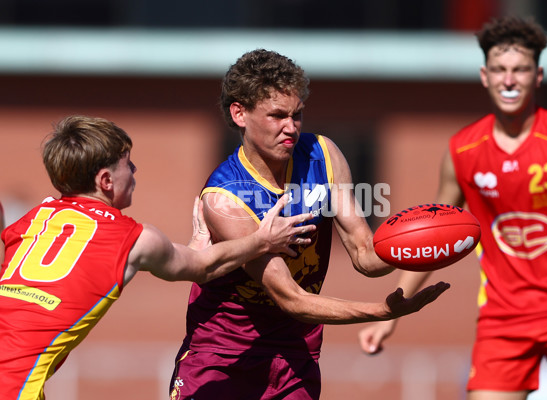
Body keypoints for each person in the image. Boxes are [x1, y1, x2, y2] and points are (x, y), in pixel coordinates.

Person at [168, 48, 451, 400]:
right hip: (223, 357)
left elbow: (365, 255)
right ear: (239, 113)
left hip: (295, 356)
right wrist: (380, 311)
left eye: (297, 114)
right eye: (277, 116)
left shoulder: (322, 155)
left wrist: (423, 246)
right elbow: (291, 299)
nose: (292, 128)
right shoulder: (225, 197)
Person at [358, 16, 547, 400]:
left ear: (538, 76)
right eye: (500, 70)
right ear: (484, 75)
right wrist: (394, 312)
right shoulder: (462, 152)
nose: (509, 80)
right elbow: (433, 237)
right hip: (502, 319)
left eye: (520, 70)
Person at [0, 115, 317, 400]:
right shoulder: (133, 238)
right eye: (128, 164)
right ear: (106, 181)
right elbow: (204, 267)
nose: (135, 172)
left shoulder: (30, 220)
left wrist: (196, 243)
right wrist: (262, 239)